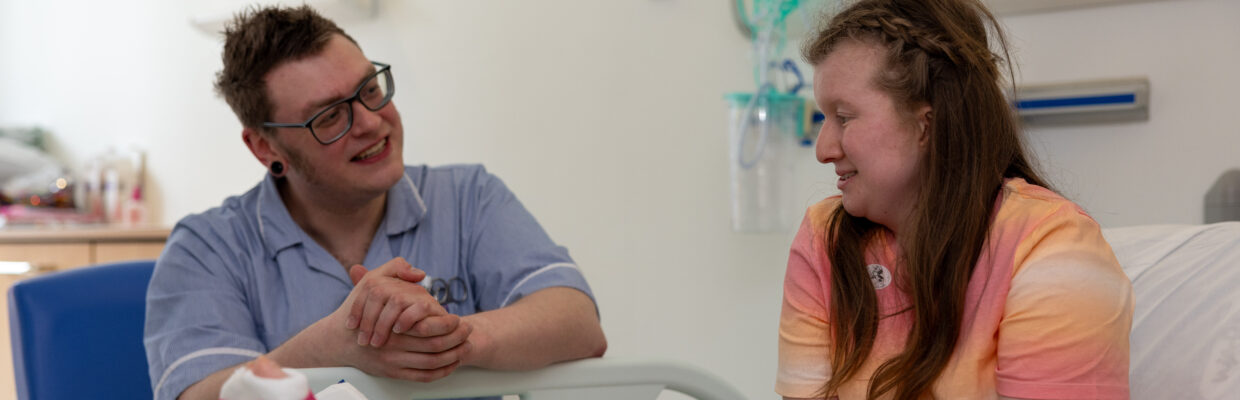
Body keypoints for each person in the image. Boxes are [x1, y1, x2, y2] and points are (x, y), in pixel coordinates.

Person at [144, 5, 606, 400]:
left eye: (369, 90)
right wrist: (333, 345)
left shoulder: (469, 197)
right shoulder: (206, 246)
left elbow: (578, 324)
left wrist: (449, 338)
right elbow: (199, 393)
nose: (370, 122)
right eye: (328, 117)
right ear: (266, 149)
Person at [776, 0, 1133, 399]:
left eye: (844, 117)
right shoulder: (825, 241)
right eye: (824, 118)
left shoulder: (1052, 250)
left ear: (926, 123)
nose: (823, 149)